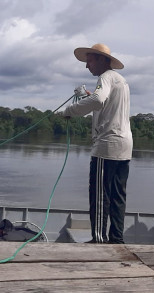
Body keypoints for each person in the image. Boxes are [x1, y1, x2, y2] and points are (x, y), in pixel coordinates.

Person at [62, 43, 133, 244]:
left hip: (107, 146)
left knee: (100, 196)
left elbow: (99, 100)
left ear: (102, 60)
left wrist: (70, 110)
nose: (87, 66)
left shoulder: (106, 77)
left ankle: (100, 241)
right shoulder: (121, 80)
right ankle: (116, 239)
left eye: (90, 61)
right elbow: (104, 104)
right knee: (118, 197)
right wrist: (86, 96)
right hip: (125, 146)